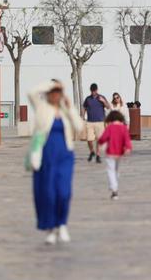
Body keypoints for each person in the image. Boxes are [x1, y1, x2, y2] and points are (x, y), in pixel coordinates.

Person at [29, 79, 83, 244]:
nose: (56, 95)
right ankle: (51, 228)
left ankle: (62, 224)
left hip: (65, 156)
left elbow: (79, 127)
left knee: (64, 192)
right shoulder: (41, 107)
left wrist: (70, 107)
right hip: (46, 156)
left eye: (58, 92)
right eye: (53, 92)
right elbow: (31, 93)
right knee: (48, 194)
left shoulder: (65, 109)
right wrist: (50, 85)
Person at [97, 110, 132, 199]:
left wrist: (100, 143)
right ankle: (114, 185)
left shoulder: (110, 127)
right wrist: (128, 148)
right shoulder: (123, 128)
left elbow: (103, 138)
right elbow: (127, 140)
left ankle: (114, 189)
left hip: (110, 152)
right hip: (120, 153)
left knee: (110, 170)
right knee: (116, 170)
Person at [82, 83, 109, 163]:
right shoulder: (88, 99)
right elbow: (84, 107)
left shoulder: (101, 97)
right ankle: (92, 151)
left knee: (99, 140)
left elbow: (108, 107)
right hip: (90, 122)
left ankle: (98, 155)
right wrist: (82, 116)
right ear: (90, 90)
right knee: (89, 139)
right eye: (92, 91)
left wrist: (103, 101)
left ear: (97, 90)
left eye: (94, 90)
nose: (93, 92)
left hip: (100, 122)